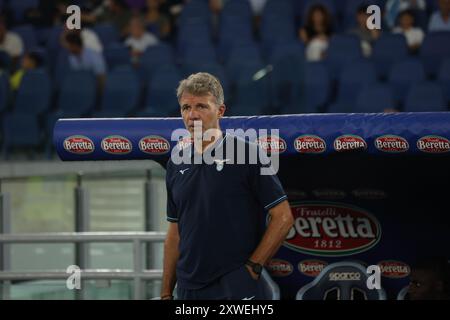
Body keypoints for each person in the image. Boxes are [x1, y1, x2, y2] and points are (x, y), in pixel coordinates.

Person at [160, 72, 294, 300]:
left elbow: (283, 217)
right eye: (185, 108)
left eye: (201, 106)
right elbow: (175, 233)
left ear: (220, 111)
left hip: (234, 283)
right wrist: (165, 293)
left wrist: (252, 268)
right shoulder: (176, 161)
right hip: (187, 288)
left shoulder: (248, 153)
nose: (192, 115)